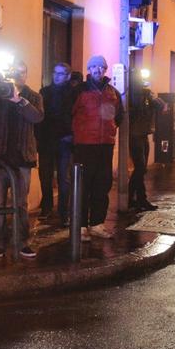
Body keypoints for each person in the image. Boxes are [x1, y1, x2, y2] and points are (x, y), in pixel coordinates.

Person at [0, 58, 43, 260]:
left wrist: (19, 100)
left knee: (21, 204)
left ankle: (22, 242)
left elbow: (37, 118)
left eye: (22, 72)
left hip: (22, 159)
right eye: (15, 72)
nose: (19, 75)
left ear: (26, 74)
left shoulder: (33, 96)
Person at [71, 55, 124, 239]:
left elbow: (119, 116)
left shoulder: (113, 93)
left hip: (105, 145)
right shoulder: (78, 91)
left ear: (105, 69)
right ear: (89, 69)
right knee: (83, 186)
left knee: (102, 184)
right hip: (84, 145)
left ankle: (97, 223)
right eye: (94, 67)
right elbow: (68, 115)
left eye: (101, 67)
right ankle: (80, 226)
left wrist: (112, 129)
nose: (97, 70)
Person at [36, 62, 80, 223]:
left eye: (61, 73)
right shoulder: (44, 92)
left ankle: (63, 212)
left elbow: (76, 117)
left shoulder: (74, 94)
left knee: (64, 178)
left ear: (68, 76)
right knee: (45, 176)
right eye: (55, 72)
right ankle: (46, 207)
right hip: (47, 140)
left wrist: (72, 135)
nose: (56, 76)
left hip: (65, 140)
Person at [127, 70, 166, 211]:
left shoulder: (147, 95)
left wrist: (151, 95)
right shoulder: (132, 95)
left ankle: (135, 199)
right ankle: (136, 199)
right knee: (141, 167)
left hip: (143, 134)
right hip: (134, 135)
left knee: (141, 169)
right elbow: (136, 110)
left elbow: (162, 106)